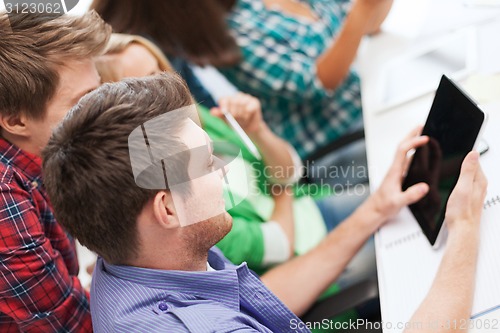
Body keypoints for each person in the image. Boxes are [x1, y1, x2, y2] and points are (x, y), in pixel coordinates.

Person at [43, 73, 487, 333]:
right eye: (206, 161)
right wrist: (465, 226)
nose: (221, 168)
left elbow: (260, 299)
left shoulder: (142, 260)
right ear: (168, 208)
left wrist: (375, 209)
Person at [95, 35, 374, 297]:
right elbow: (278, 245)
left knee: (408, 204)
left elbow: (291, 169)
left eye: (161, 71)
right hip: (309, 266)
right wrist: (282, 191)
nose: (165, 85)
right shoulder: (175, 200)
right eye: (147, 83)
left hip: (312, 209)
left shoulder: (194, 117)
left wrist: (258, 130)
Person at [91, 0, 393, 158]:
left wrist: (365, 12)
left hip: (373, 89)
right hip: (343, 134)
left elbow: (361, 17)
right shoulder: (229, 32)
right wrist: (360, 14)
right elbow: (315, 82)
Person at [0, 10, 111, 332]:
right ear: (15, 120)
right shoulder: (5, 199)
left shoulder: (55, 154)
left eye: (99, 92)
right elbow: (72, 324)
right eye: (82, 101)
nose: (102, 111)